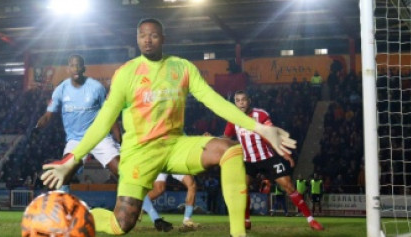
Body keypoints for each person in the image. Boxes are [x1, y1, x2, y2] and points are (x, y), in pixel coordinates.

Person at [40, 18, 296, 237]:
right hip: (139, 153)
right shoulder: (126, 74)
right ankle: (79, 218)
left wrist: (260, 128)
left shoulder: (182, 68)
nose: (147, 40)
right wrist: (71, 160)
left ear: (163, 38)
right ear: (137, 40)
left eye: (152, 35)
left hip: (175, 146)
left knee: (230, 150)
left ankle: (238, 233)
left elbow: (214, 101)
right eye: (142, 36)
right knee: (121, 225)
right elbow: (104, 120)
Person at [35, 54, 171, 232]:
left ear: (83, 68)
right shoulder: (61, 90)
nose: (75, 68)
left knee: (126, 174)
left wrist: (118, 136)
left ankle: (156, 218)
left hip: (100, 137)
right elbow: (48, 114)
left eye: (78, 65)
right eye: (72, 66)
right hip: (75, 141)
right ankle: (64, 218)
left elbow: (110, 113)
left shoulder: (96, 88)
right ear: (68, 69)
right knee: (63, 175)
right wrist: (39, 126)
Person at [225, 90, 323, 231]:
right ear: (235, 102)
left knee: (289, 186)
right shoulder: (233, 118)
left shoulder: (261, 115)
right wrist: (210, 138)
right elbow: (226, 137)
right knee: (242, 190)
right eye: (238, 100)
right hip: (248, 161)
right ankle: (246, 220)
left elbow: (272, 135)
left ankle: (311, 220)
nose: (241, 103)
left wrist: (284, 153)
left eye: (243, 99)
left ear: (249, 100)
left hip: (268, 159)